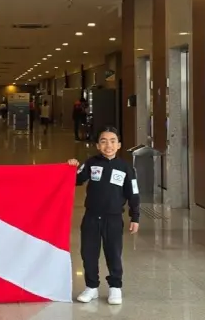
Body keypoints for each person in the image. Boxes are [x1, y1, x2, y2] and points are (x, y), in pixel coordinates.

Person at [67, 127, 140, 305]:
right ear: (98, 145)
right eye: (104, 141)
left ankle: (115, 287)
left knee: (113, 253)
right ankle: (91, 287)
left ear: (119, 145)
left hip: (113, 218)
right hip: (91, 217)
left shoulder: (126, 168)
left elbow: (133, 193)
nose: (109, 145)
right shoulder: (91, 163)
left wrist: (135, 216)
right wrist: (71, 167)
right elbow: (77, 179)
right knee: (88, 253)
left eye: (113, 141)